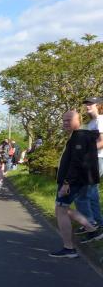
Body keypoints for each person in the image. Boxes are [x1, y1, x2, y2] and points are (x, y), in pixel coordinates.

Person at [49, 110, 103, 258]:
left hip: (72, 181)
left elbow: (76, 162)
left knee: (61, 209)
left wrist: (67, 183)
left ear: (78, 121)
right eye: (64, 120)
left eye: (69, 120)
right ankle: (92, 229)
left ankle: (69, 248)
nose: (65, 123)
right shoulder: (80, 136)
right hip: (79, 180)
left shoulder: (79, 136)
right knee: (62, 208)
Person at [76, 96, 103, 231]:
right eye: (86, 104)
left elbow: (102, 142)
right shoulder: (91, 123)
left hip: (98, 159)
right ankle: (97, 222)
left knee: (83, 192)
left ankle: (90, 223)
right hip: (92, 159)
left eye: (90, 104)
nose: (87, 106)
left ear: (98, 105)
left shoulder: (101, 120)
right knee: (92, 193)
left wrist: (86, 152)